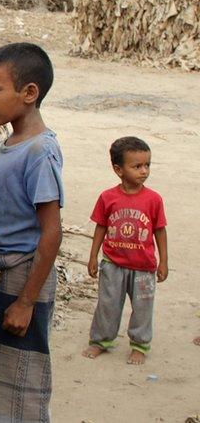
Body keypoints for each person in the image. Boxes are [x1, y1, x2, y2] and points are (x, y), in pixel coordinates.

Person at [0, 43, 64, 423]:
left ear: (30, 93)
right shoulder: (11, 143)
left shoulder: (40, 151)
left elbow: (52, 232)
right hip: (0, 276)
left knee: (20, 381)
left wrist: (26, 301)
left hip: (23, 277)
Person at [82, 137, 168, 365]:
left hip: (144, 267)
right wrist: (93, 256)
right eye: (137, 166)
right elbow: (101, 226)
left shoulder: (154, 200)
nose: (144, 171)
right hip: (113, 263)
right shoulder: (108, 197)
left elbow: (160, 231)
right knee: (107, 304)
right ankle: (101, 341)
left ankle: (139, 344)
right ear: (118, 169)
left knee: (142, 307)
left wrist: (163, 261)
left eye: (147, 165)